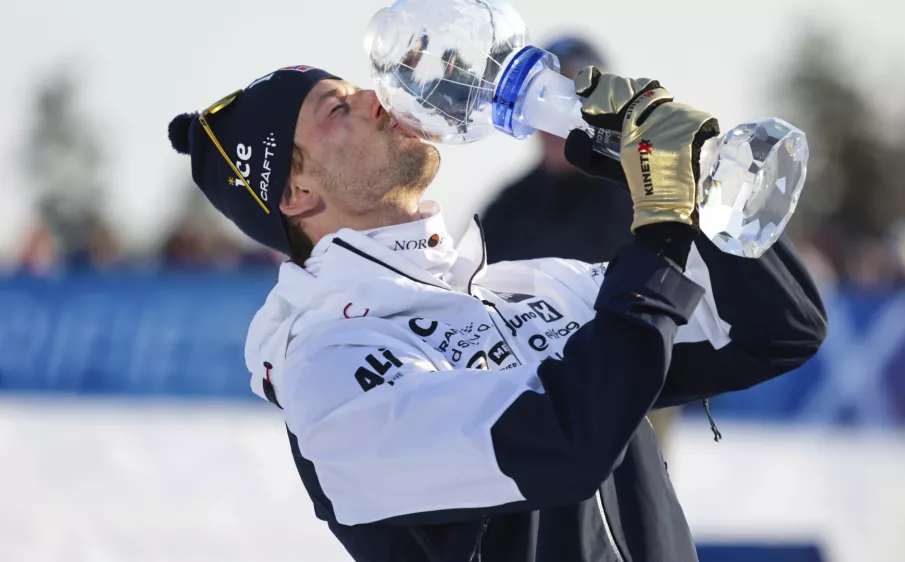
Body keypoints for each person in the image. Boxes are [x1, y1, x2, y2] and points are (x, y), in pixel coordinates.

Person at [168, 63, 826, 562]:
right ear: (295, 190)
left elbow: (778, 327)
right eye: (337, 107)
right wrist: (656, 228)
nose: (375, 96)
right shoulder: (328, 368)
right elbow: (566, 445)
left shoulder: (519, 285)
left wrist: (686, 176)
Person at [479, 35, 681, 458]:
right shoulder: (506, 209)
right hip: (534, 401)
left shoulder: (644, 199)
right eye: (541, 97)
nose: (551, 119)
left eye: (565, 98)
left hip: (631, 395)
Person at [479, 36, 633, 264]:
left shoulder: (643, 208)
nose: (554, 114)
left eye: (574, 99)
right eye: (542, 96)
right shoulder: (505, 210)